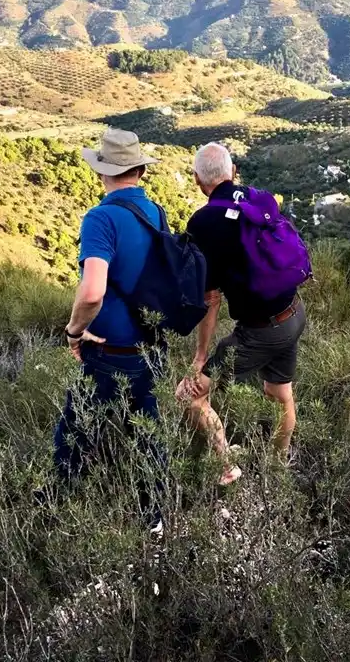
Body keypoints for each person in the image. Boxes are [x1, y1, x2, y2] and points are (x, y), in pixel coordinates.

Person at [53, 128, 166, 532]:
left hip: (108, 352)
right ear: (139, 170)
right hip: (153, 348)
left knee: (74, 433)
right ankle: (154, 524)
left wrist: (73, 331)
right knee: (150, 439)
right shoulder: (155, 213)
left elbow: (91, 292)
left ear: (103, 172)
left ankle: (57, 516)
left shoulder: (100, 218)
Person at [177, 142, 307, 475]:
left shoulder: (204, 222)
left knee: (191, 396)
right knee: (279, 393)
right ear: (233, 172)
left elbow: (211, 297)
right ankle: (279, 467)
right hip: (293, 312)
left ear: (196, 180)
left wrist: (201, 356)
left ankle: (226, 467)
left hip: (260, 332)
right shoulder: (255, 199)